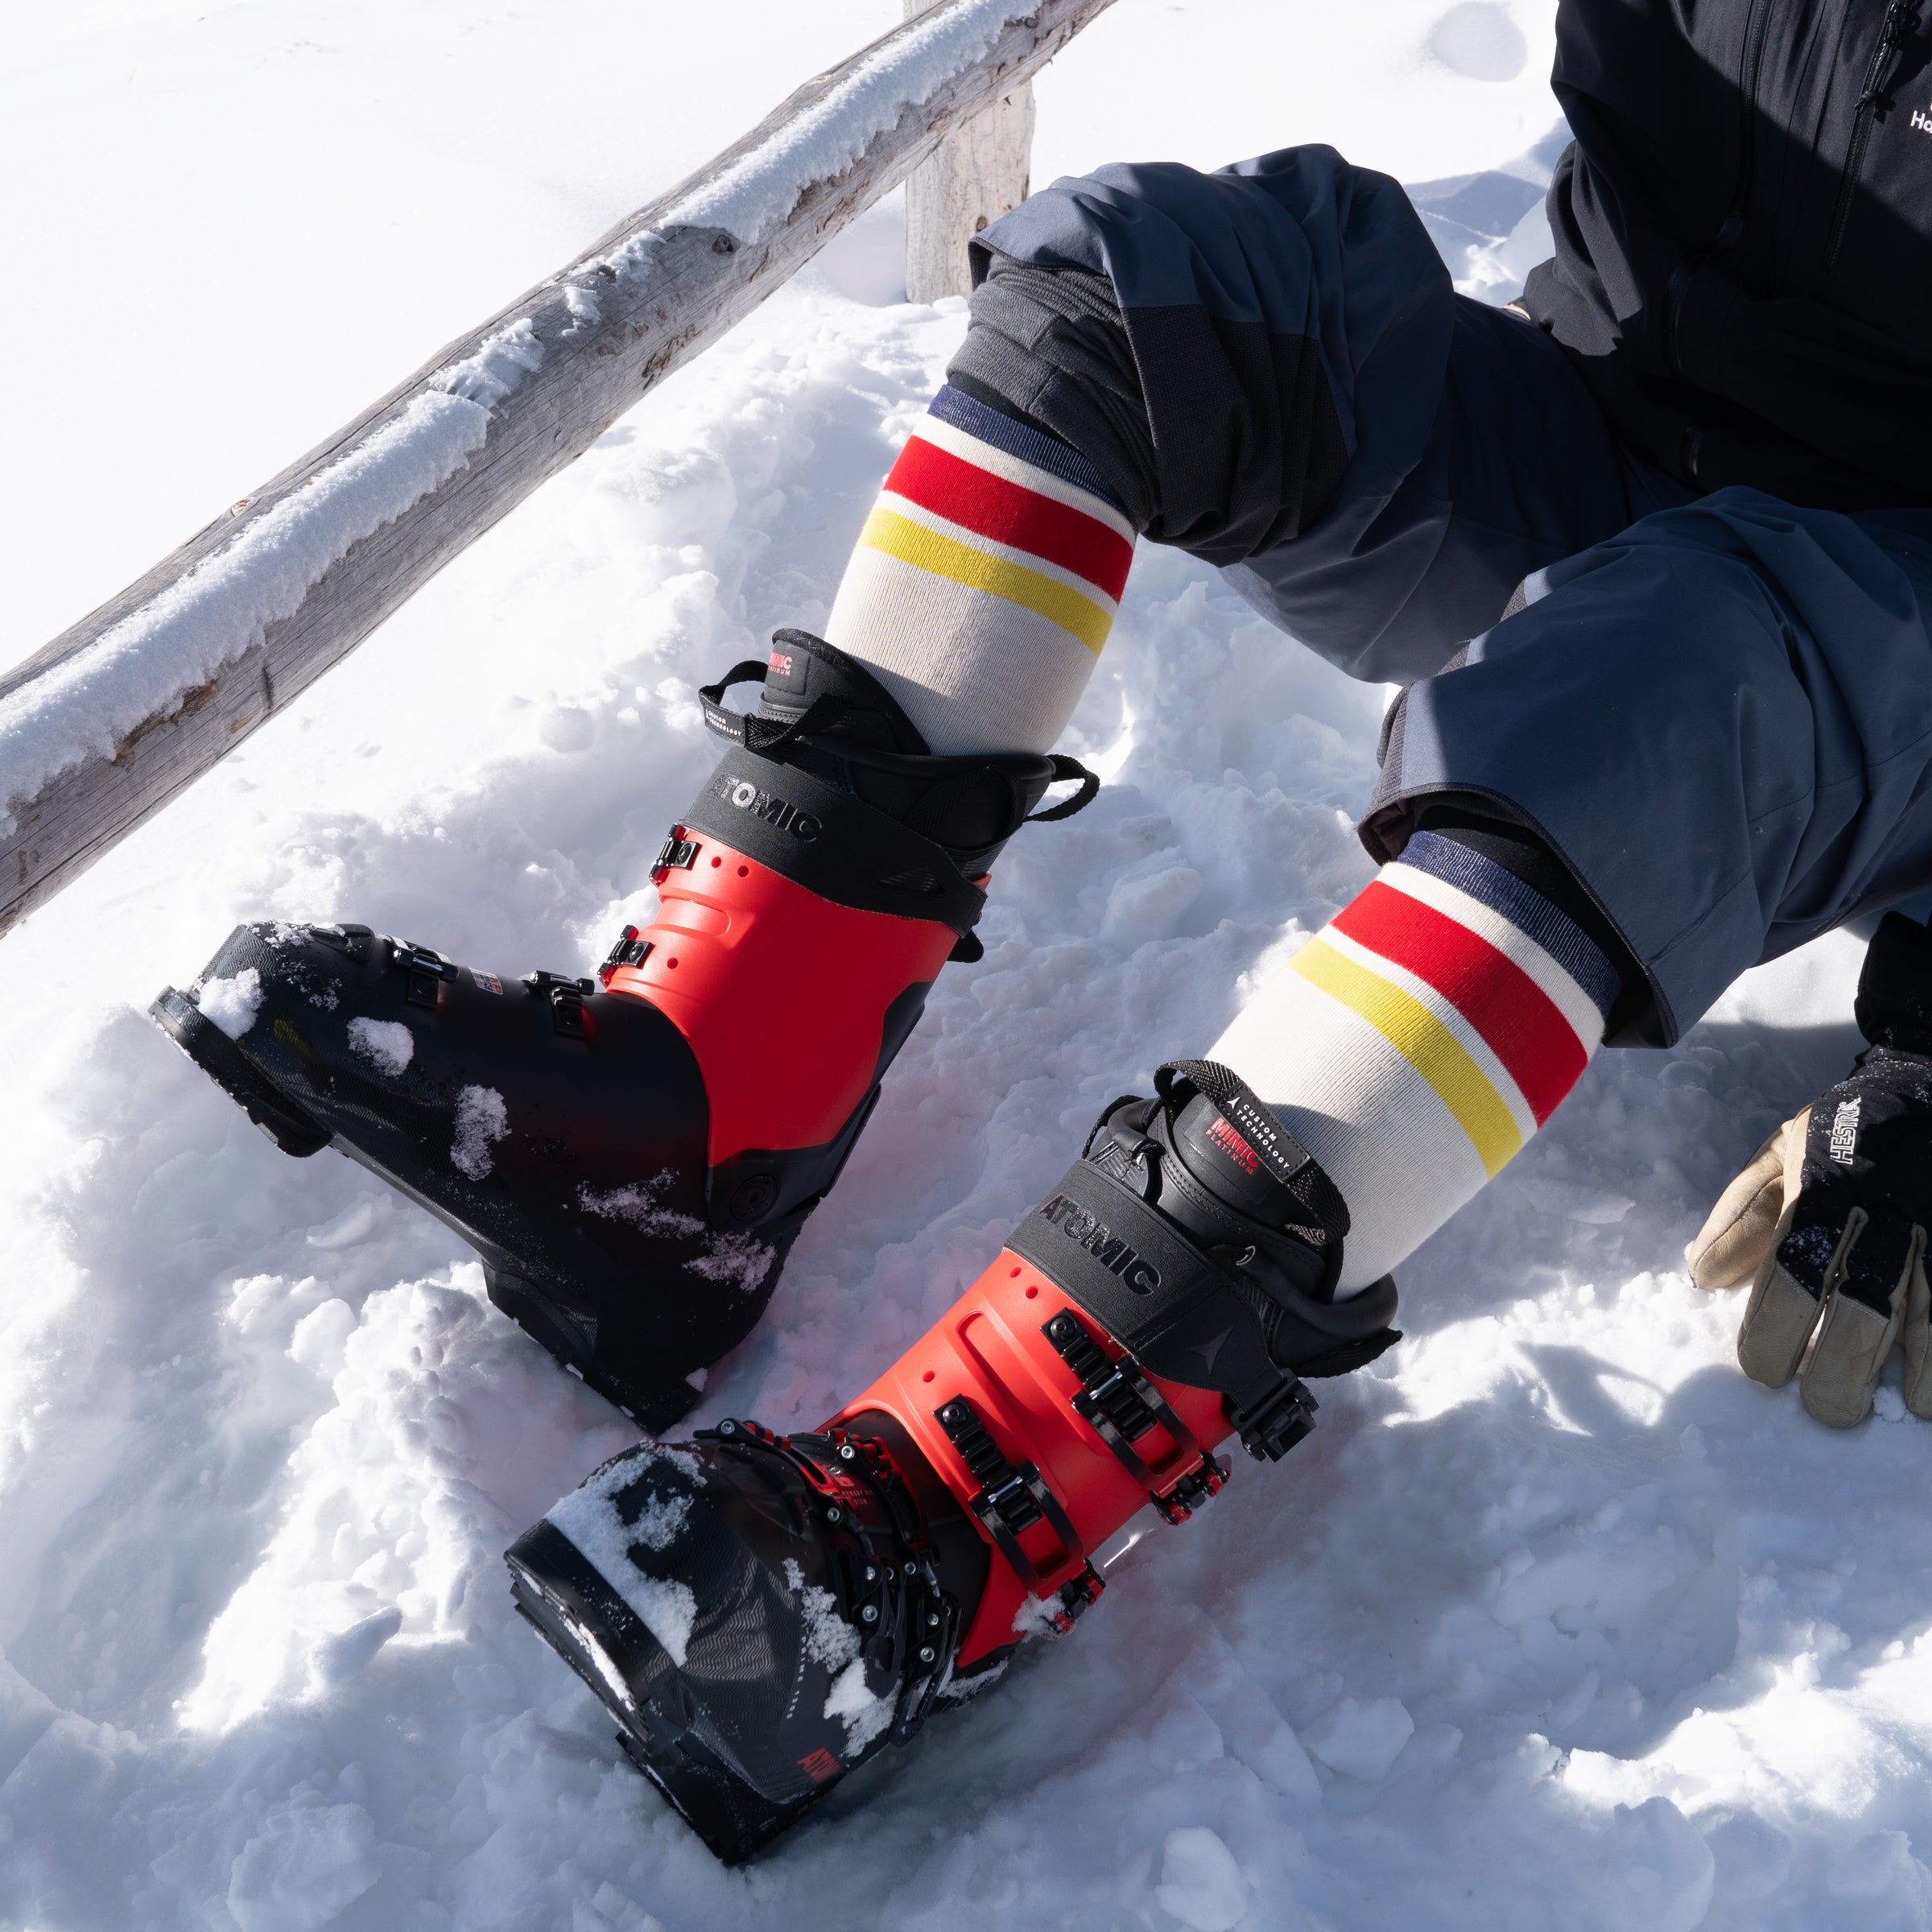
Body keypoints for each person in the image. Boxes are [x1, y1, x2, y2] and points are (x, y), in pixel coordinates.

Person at [153, 0, 1932, 1862]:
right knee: (1139, 294)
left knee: (1655, 686)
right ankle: (705, 1124)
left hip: (1890, 612)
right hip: (1617, 432)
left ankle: (965, 1511)